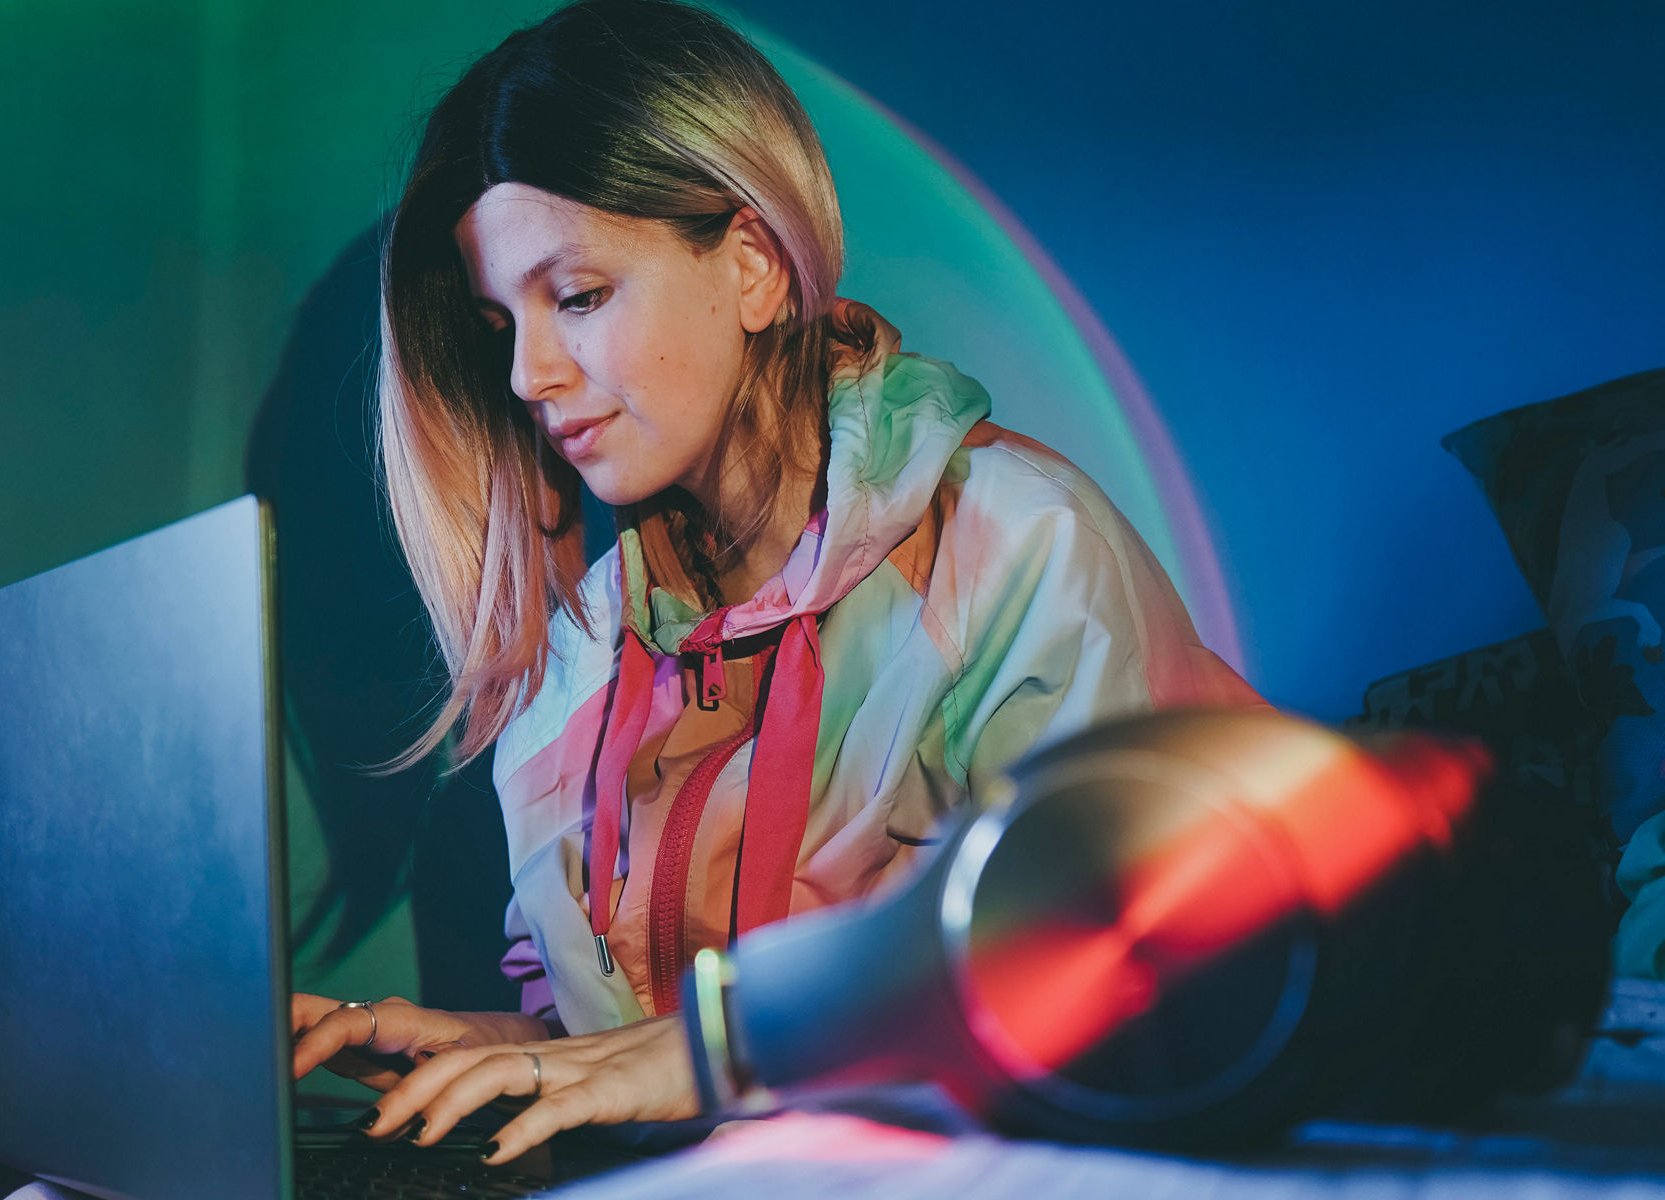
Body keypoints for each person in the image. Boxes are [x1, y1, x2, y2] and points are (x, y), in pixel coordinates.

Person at [289, 0, 1262, 1165]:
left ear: (751, 266)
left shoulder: (1015, 546)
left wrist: (716, 1049)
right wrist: (473, 1048)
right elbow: (635, 1047)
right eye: (503, 321)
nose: (529, 374)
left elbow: (1127, 983)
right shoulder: (580, 660)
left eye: (580, 297)